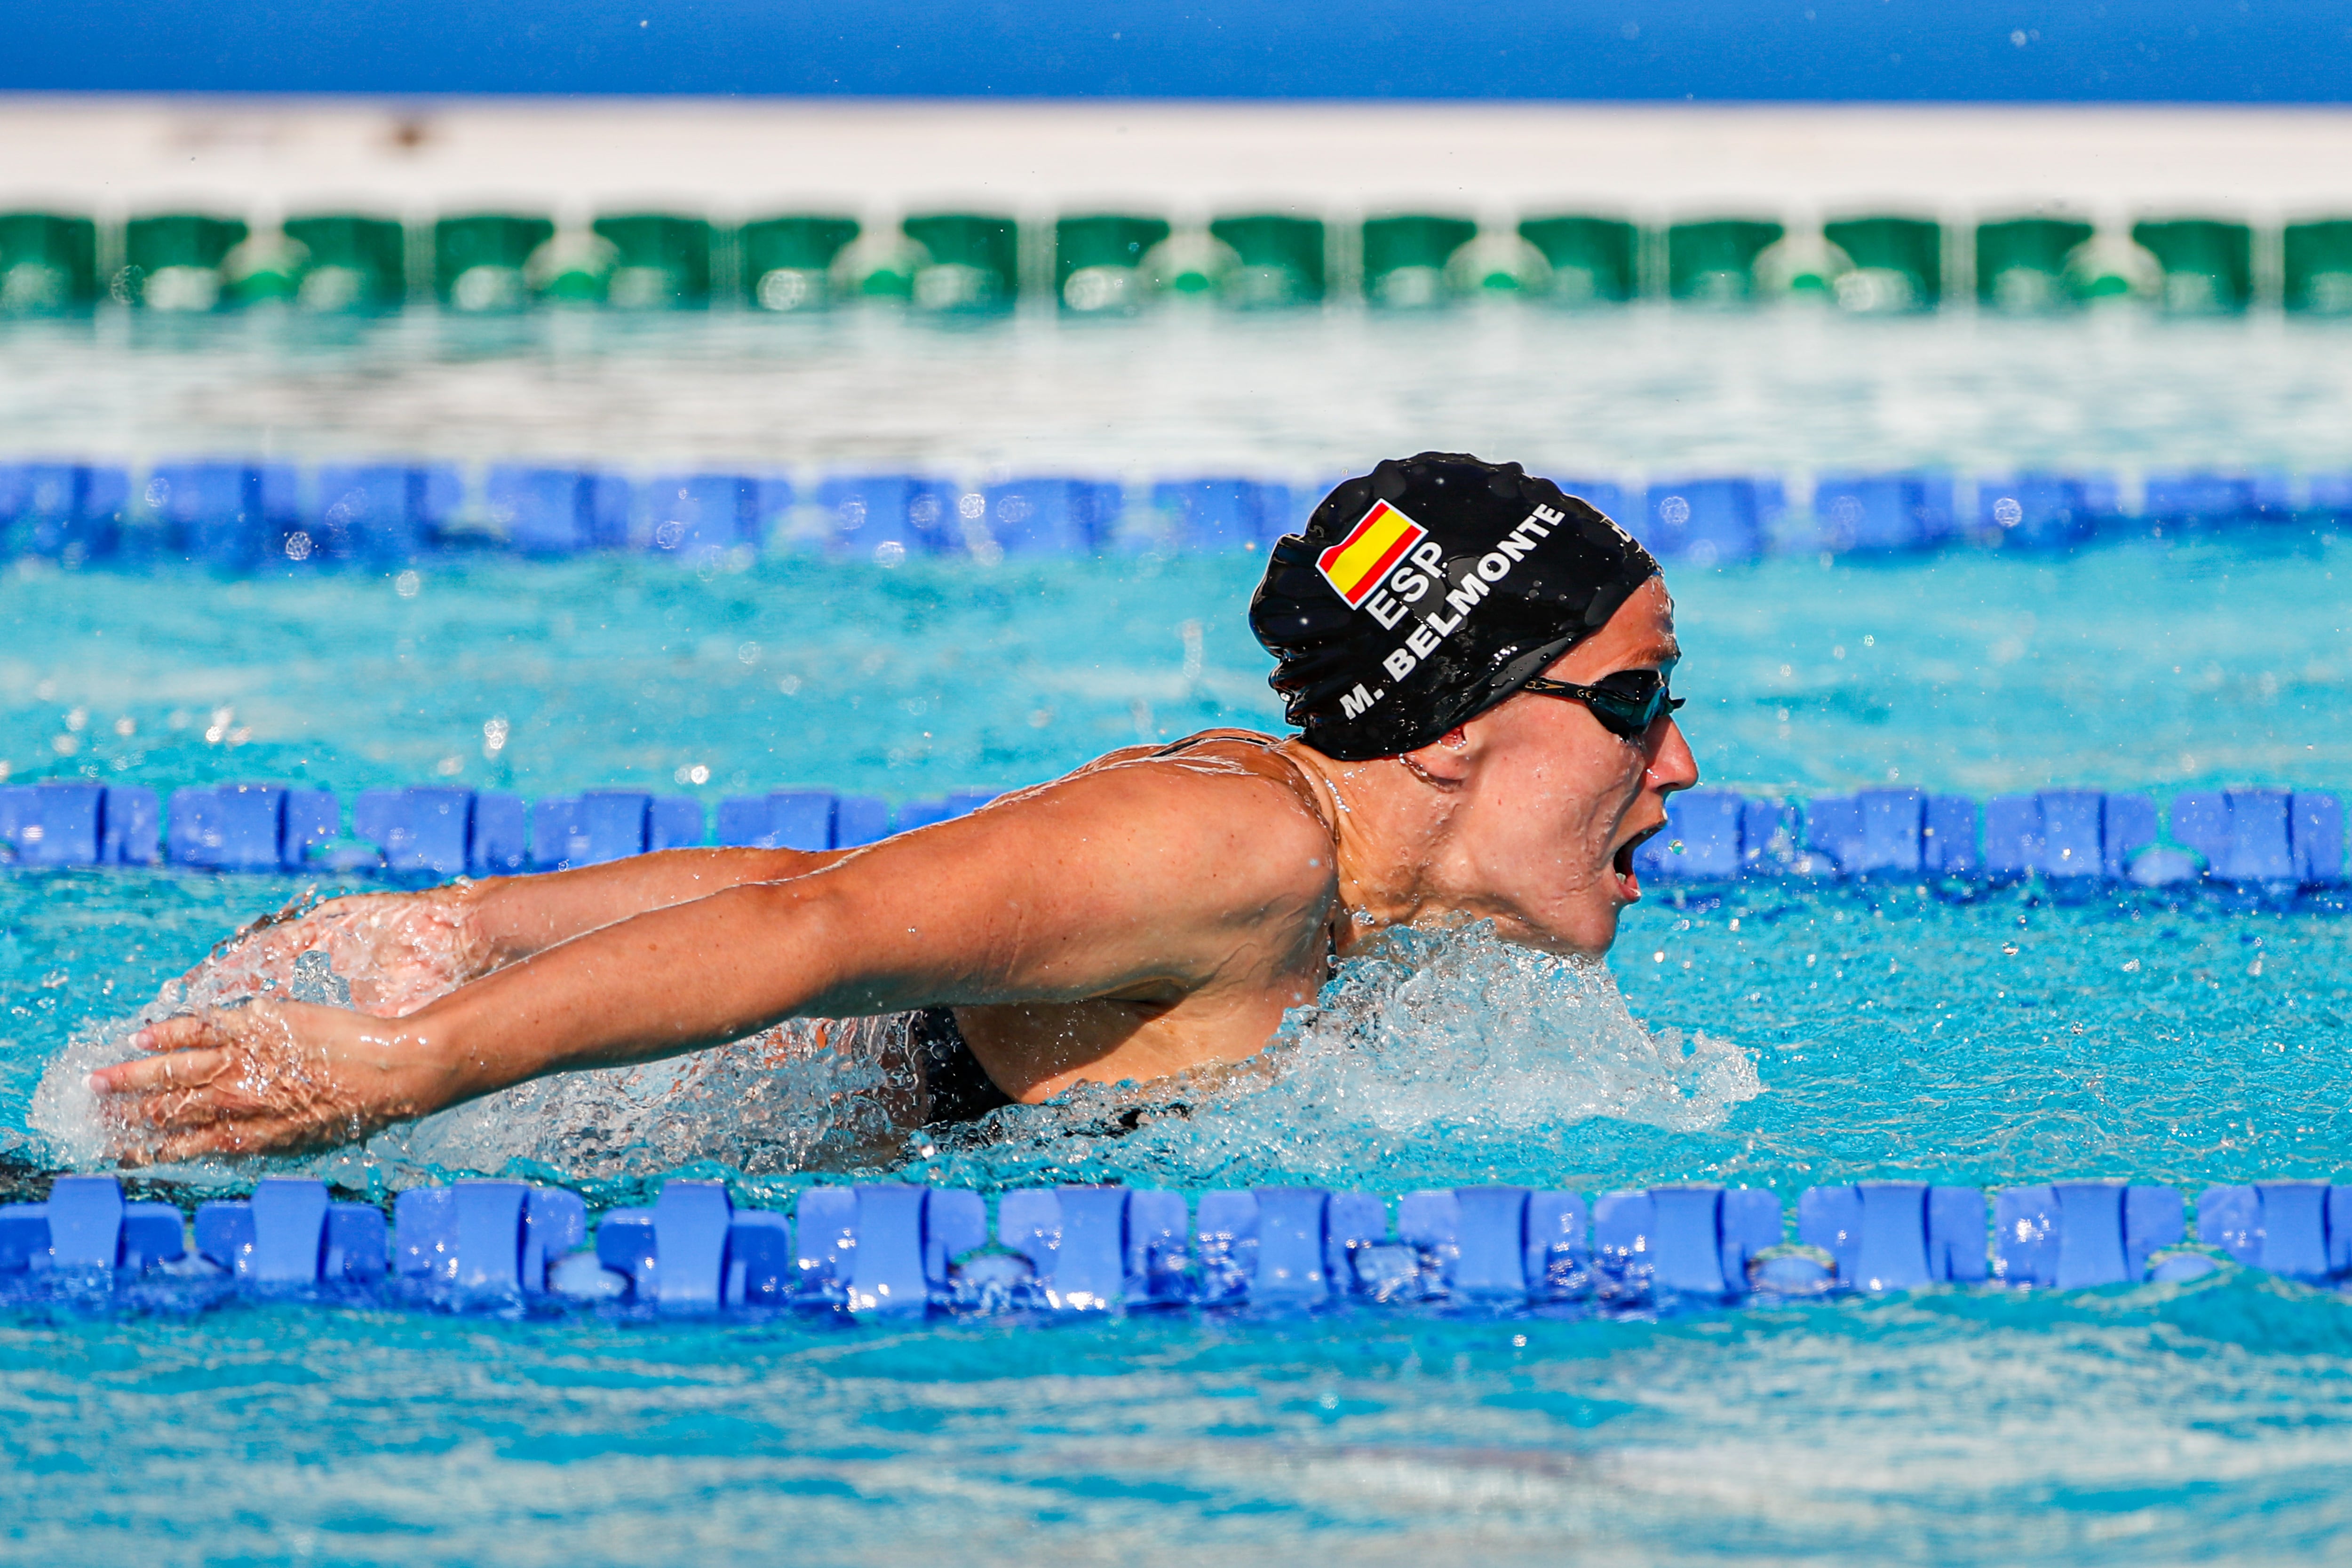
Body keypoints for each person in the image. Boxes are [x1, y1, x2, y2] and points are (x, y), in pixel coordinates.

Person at [92, 452, 1698, 1162]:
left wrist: (466, 924)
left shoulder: (1344, 891)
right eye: (1632, 701)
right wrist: (406, 1062)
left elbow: (845, 880)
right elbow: (823, 927)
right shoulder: (1240, 847)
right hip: (584, 1139)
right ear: (1449, 727)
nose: (1676, 764)